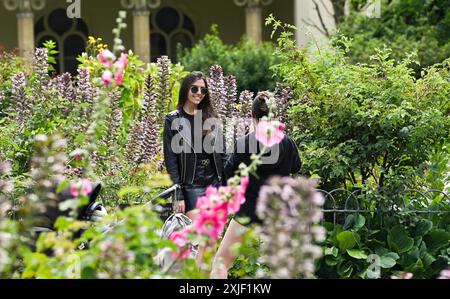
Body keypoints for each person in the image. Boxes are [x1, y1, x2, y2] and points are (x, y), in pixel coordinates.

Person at [210, 91, 302, 278]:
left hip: (248, 212)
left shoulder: (243, 143)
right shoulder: (288, 142)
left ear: (252, 116)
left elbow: (228, 177)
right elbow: (296, 167)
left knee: (220, 264)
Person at [163, 71, 227, 264]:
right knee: (198, 239)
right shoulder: (173, 119)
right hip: (191, 185)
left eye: (203, 90)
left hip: (214, 183)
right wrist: (178, 194)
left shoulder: (211, 118)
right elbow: (171, 160)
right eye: (194, 89)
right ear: (186, 90)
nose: (199, 93)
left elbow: (223, 154)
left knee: (212, 240)